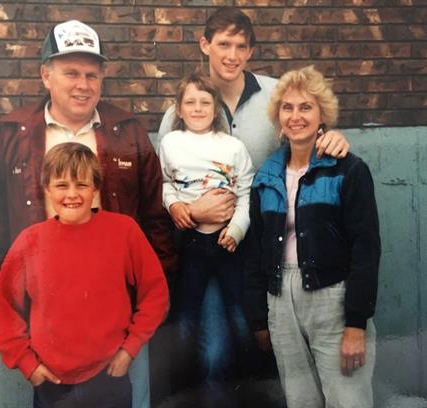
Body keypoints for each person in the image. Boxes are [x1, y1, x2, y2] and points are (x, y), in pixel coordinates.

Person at [0, 19, 176, 408]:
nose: (83, 85)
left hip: (115, 322)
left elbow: (154, 217)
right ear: (46, 75)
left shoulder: (127, 130)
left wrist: (152, 304)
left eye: (91, 75)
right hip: (48, 321)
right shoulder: (11, 133)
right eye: (71, 73)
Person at [157, 6, 350, 401]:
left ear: (250, 51)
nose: (232, 55)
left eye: (241, 46)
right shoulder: (178, 114)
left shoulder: (275, 95)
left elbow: (309, 129)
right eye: (223, 44)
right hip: (209, 246)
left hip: (270, 247)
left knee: (265, 344)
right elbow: (166, 184)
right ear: (205, 45)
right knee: (214, 349)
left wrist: (334, 137)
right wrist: (191, 211)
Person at [0, 142, 169, 408]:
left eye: (82, 185)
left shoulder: (124, 232)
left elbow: (155, 294)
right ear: (47, 189)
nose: (72, 194)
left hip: (109, 377)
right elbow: (5, 310)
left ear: (96, 188)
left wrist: (129, 350)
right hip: (51, 384)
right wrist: (29, 366)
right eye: (62, 185)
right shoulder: (30, 242)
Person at [244, 66, 380, 408]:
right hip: (280, 301)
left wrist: (356, 325)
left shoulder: (348, 170)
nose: (296, 116)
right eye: (287, 108)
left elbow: (366, 249)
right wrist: (261, 319)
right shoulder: (266, 176)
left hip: (333, 299)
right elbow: (255, 252)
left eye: (305, 107)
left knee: (348, 401)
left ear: (322, 115)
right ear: (278, 117)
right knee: (300, 400)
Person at [158, 73, 254, 406]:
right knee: (184, 320)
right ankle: (182, 389)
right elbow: (165, 184)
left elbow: (245, 192)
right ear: (178, 109)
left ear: (216, 109)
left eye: (205, 102)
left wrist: (237, 228)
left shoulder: (232, 146)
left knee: (239, 316)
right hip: (192, 244)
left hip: (228, 244)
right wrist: (176, 206)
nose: (198, 108)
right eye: (190, 102)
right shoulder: (171, 143)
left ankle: (252, 382)